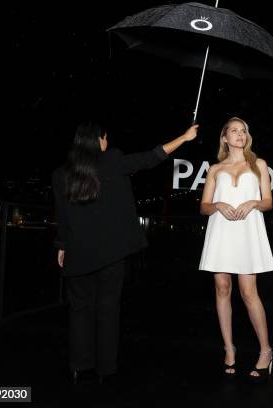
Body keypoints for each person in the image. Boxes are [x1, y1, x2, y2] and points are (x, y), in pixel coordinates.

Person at [52, 122, 198, 384]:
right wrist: (184, 138)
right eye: (105, 138)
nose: (107, 143)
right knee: (108, 309)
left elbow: (62, 217)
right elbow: (152, 157)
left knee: (79, 310)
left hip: (77, 253)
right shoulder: (113, 161)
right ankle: (105, 370)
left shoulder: (61, 173)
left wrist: (62, 246)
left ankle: (78, 365)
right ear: (99, 140)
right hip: (111, 253)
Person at [199, 117, 273, 382]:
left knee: (248, 292)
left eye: (243, 130)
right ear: (224, 138)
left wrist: (254, 202)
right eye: (234, 131)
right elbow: (204, 207)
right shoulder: (215, 169)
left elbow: (268, 203)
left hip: (247, 231)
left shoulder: (259, 165)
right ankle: (229, 348)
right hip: (220, 230)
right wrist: (218, 204)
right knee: (222, 288)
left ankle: (265, 350)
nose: (240, 134)